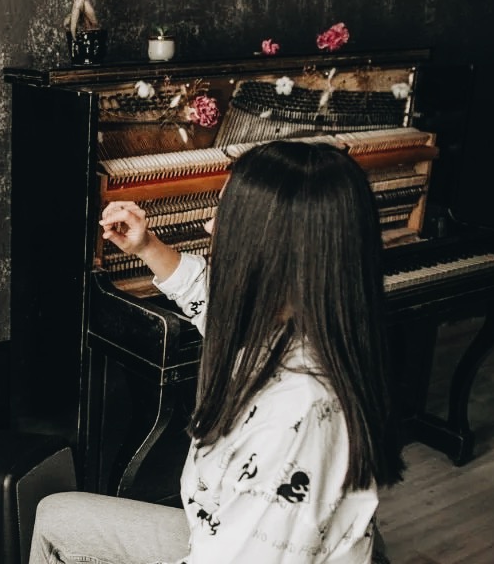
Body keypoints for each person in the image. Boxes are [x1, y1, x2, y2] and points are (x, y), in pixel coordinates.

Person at [29, 141, 404, 564]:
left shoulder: (293, 413)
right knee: (57, 516)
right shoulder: (317, 322)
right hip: (221, 533)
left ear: (270, 248)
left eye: (225, 214)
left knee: (60, 527)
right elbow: (215, 306)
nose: (210, 227)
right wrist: (148, 247)